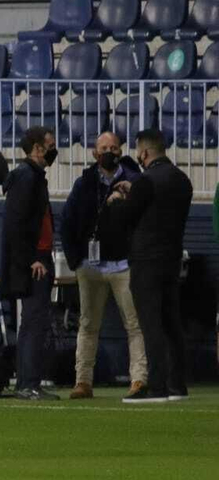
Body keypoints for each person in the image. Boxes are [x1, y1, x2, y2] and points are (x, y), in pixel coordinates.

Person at [59, 131, 146, 400]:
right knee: (88, 325)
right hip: (91, 265)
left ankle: (139, 379)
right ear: (95, 153)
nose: (109, 151)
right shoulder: (83, 183)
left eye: (114, 146)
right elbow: (67, 222)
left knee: (134, 325)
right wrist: (76, 261)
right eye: (104, 147)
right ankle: (83, 382)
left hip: (123, 264)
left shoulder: (135, 181)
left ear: (121, 150)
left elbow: (144, 220)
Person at [109, 129, 194, 403]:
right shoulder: (183, 180)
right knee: (171, 323)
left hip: (146, 261)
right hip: (171, 259)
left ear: (144, 153)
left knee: (150, 324)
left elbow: (128, 217)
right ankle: (177, 385)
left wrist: (118, 201)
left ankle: (156, 386)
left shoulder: (146, 180)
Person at [0, 126, 59, 401]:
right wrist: (33, 258)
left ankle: (27, 381)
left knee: (32, 322)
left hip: (38, 257)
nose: (53, 150)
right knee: (34, 321)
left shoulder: (32, 177)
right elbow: (17, 225)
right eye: (50, 145)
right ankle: (28, 383)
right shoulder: (27, 178)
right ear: (37, 148)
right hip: (35, 260)